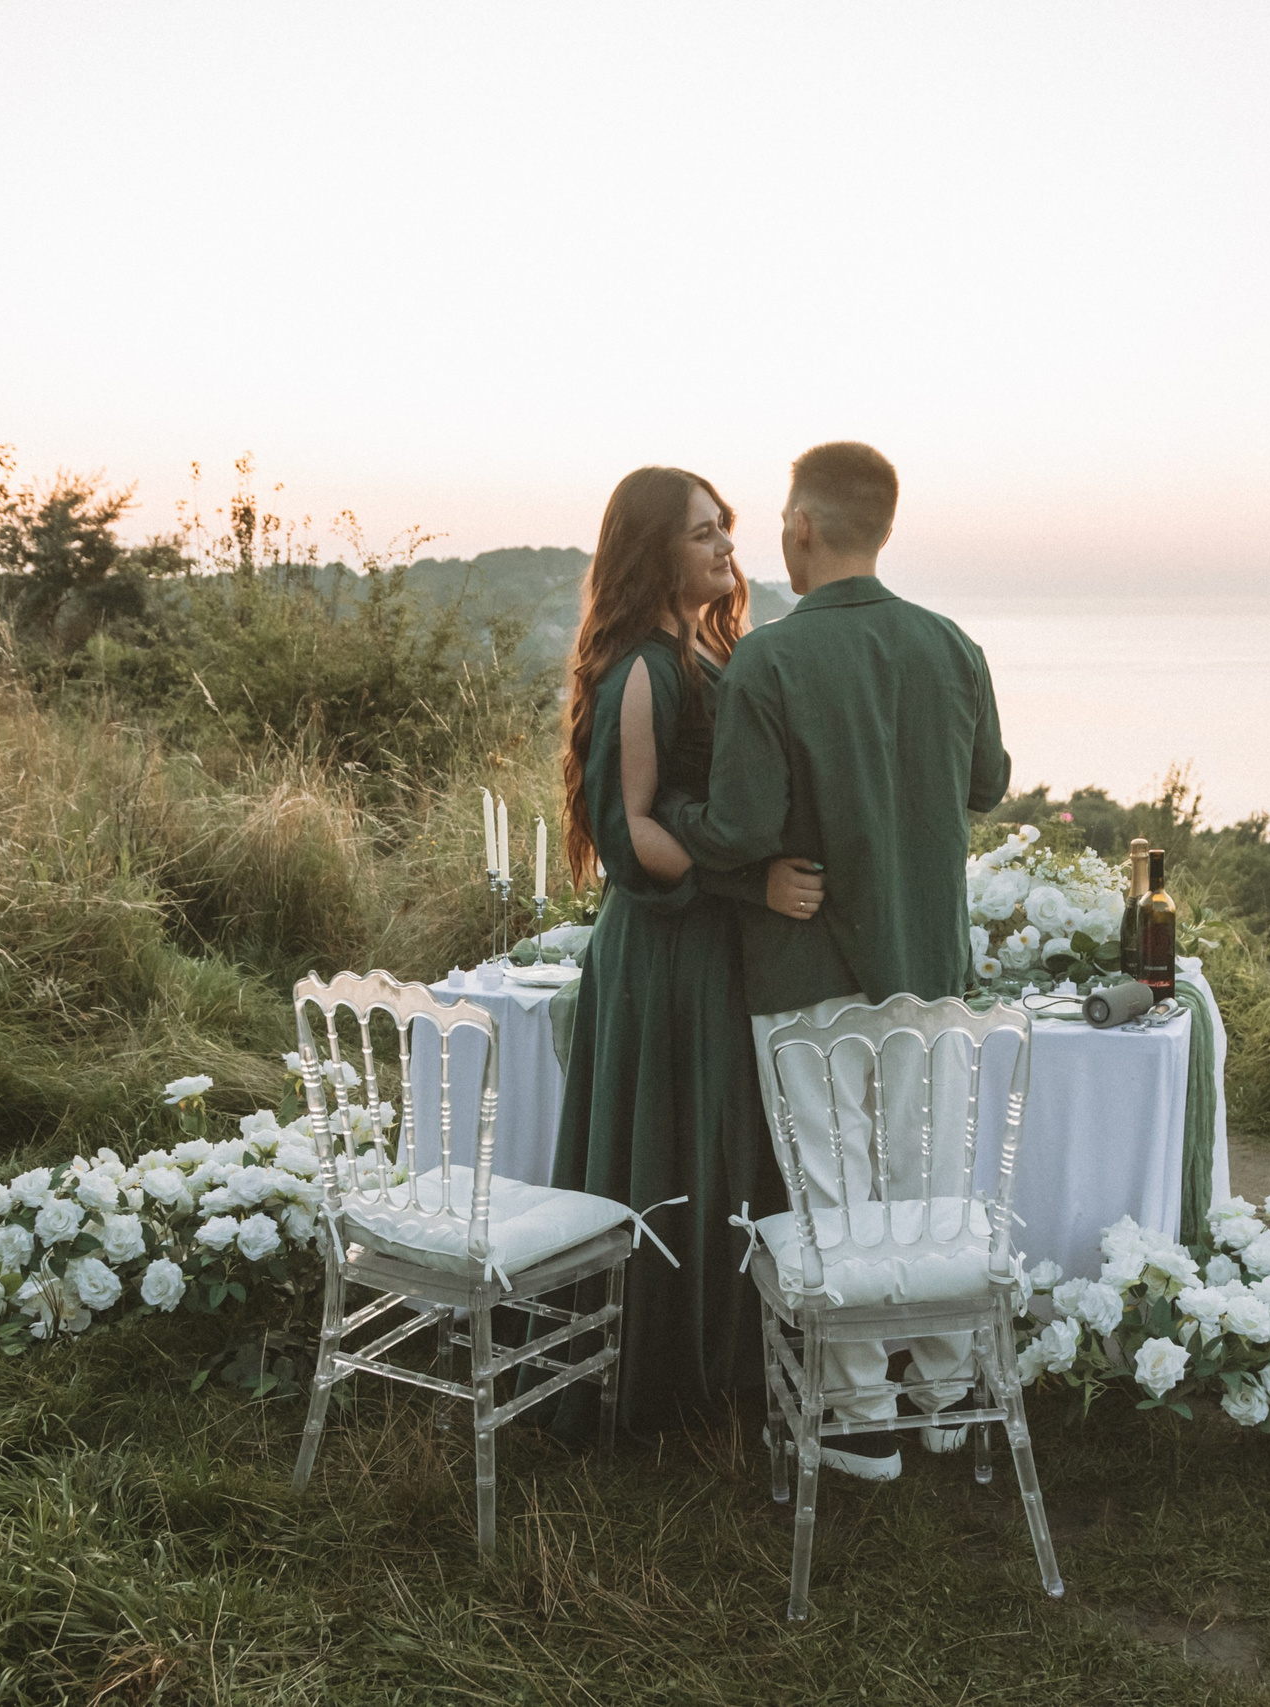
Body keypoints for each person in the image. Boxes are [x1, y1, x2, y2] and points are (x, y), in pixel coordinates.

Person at [659, 441, 1010, 1481]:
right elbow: (984, 782)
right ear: (884, 526)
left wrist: (677, 817)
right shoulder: (952, 645)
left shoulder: (768, 659)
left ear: (802, 527)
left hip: (805, 971)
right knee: (930, 1177)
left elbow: (742, 822)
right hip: (929, 967)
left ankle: (859, 1415)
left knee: (836, 1191)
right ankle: (947, 1398)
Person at [550, 466, 824, 1439]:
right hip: (666, 950)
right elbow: (630, 835)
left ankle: (726, 1371)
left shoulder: (703, 652)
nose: (724, 547)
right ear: (654, 548)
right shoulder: (642, 671)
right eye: (703, 532)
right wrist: (749, 885)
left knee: (721, 1145)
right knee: (678, 1147)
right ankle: (666, 1381)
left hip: (710, 946)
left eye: (726, 529)